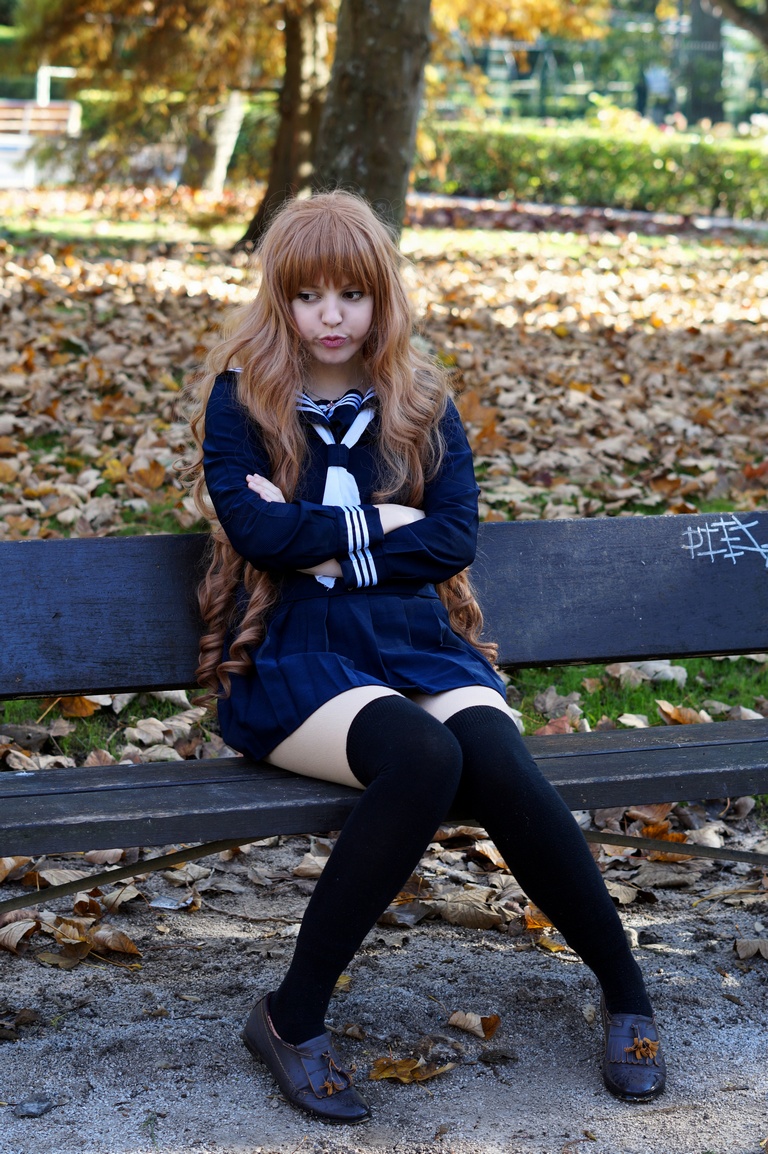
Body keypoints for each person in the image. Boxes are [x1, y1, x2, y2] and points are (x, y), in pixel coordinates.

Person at [185, 190, 666, 1124]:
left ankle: (628, 994)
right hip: (298, 658)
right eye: (309, 295)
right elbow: (250, 527)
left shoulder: (421, 402)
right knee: (422, 757)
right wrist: (376, 523)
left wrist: (319, 535)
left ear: (382, 299)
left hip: (416, 643)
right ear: (278, 300)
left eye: (353, 295)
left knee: (496, 759)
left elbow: (450, 540)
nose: (332, 317)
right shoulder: (241, 399)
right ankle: (290, 1017)